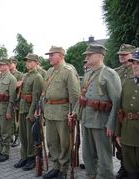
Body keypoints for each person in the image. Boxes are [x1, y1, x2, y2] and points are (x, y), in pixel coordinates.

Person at [69, 44, 121, 179]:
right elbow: (82, 97)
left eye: (89, 55)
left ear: (99, 56)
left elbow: (117, 101)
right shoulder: (87, 74)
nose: (87, 57)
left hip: (101, 122)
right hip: (86, 119)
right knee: (87, 154)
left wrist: (112, 124)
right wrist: (75, 112)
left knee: (104, 156)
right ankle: (91, 175)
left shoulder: (110, 74)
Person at [42, 46, 80, 179]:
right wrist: (41, 110)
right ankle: (56, 167)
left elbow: (75, 96)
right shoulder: (49, 71)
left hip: (63, 113)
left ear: (62, 55)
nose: (50, 57)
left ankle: (64, 169)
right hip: (50, 112)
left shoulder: (68, 71)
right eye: (49, 54)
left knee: (64, 143)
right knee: (52, 142)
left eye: (53, 54)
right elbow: (44, 93)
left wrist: (74, 114)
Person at [116, 49, 139, 179]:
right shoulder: (127, 83)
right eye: (134, 63)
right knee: (131, 169)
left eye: (138, 63)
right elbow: (120, 111)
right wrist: (118, 133)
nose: (135, 66)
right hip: (127, 133)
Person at [0, 58, 17, 162]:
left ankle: (5, 152)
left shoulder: (11, 79)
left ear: (8, 66)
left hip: (3, 109)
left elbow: (12, 98)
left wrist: (9, 111)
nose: (0, 66)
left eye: (2, 65)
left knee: (5, 132)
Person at [8, 56, 23, 147]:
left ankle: (17, 138)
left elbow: (19, 86)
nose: (10, 65)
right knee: (9, 121)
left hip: (16, 101)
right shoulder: (6, 74)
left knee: (17, 122)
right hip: (7, 100)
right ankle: (10, 137)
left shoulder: (20, 75)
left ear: (15, 64)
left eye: (11, 63)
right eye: (8, 63)